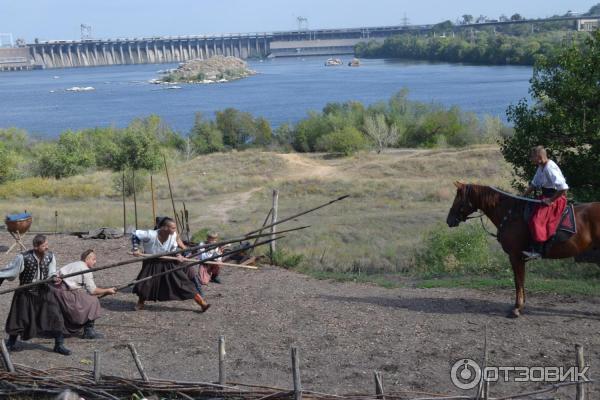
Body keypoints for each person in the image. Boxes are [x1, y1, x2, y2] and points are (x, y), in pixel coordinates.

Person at [0, 234, 71, 355]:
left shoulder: (50, 256)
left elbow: (52, 272)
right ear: (36, 246)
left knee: (55, 316)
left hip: (44, 291)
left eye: (47, 244)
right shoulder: (23, 257)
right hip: (25, 292)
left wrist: (54, 278)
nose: (47, 247)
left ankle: (59, 345)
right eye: (44, 246)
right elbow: (10, 272)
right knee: (18, 319)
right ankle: (11, 344)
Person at [131, 217, 210, 312]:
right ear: (164, 228)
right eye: (173, 228)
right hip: (152, 263)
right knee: (146, 284)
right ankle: (140, 303)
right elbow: (135, 234)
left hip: (168, 262)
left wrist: (178, 255)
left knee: (182, 282)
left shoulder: (173, 236)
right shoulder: (151, 234)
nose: (175, 230)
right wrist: (135, 248)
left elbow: (174, 249)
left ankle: (202, 303)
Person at [54, 249, 117, 339]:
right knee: (93, 301)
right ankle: (89, 331)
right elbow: (93, 291)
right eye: (94, 259)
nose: (95, 262)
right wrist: (107, 290)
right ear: (87, 259)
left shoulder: (74, 264)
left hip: (55, 290)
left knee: (85, 298)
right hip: (64, 293)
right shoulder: (85, 269)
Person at [522, 145, 569, 259]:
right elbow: (534, 184)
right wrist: (522, 196)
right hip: (545, 197)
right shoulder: (541, 167)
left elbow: (563, 188)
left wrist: (551, 200)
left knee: (536, 220)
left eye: (532, 157)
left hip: (556, 199)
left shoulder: (549, 167)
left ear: (539, 157)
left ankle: (538, 251)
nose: (531, 159)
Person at [189, 232, 225, 297]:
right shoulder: (202, 244)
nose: (213, 241)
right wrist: (212, 253)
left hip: (213, 262)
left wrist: (218, 260)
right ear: (208, 238)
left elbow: (219, 256)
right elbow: (203, 257)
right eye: (211, 239)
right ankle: (201, 277)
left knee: (219, 264)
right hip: (204, 263)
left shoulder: (217, 245)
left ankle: (214, 276)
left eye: (214, 239)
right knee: (203, 282)